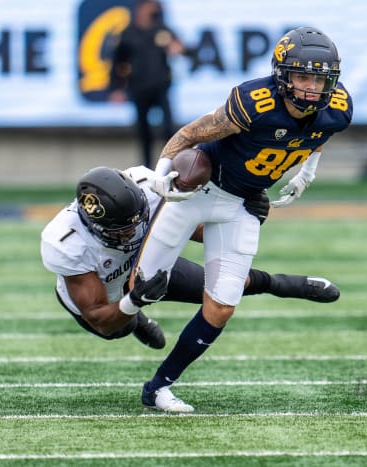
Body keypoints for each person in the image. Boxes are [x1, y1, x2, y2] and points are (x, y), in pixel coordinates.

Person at [123, 26, 353, 412]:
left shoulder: (338, 109)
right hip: (196, 193)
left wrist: (305, 172)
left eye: (319, 78)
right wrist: (163, 175)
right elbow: (188, 134)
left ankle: (159, 386)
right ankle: (128, 310)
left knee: (222, 305)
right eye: (302, 76)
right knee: (142, 286)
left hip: (242, 203)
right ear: (282, 76)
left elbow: (319, 134)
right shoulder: (254, 102)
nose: (312, 88)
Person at [40, 165, 340, 352]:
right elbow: (98, 317)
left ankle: (284, 284)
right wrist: (135, 302)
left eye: (138, 219)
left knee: (224, 285)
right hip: (105, 291)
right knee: (115, 331)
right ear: (94, 226)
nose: (136, 229)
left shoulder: (148, 184)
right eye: (125, 228)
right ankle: (137, 323)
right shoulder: (66, 242)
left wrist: (240, 218)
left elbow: (193, 229)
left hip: (147, 260)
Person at [109, 0, 185, 168]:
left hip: (161, 86)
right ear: (141, 8)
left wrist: (178, 48)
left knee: (168, 129)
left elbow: (183, 48)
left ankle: (171, 165)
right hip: (139, 87)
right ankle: (146, 168)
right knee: (144, 132)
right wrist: (116, 88)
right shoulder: (127, 33)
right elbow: (117, 63)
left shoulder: (162, 30)